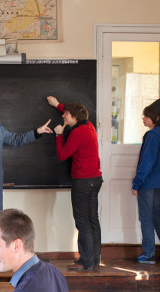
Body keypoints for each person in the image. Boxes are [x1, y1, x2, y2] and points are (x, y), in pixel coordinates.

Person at [45, 96, 102, 271]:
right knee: (92, 220)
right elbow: (76, 112)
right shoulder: (88, 126)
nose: (63, 116)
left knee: (82, 221)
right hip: (95, 180)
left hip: (83, 182)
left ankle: (84, 261)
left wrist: (59, 135)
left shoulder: (77, 133)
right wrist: (58, 105)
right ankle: (94, 259)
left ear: (74, 116)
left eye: (66, 114)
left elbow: (63, 155)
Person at [132, 97, 160, 264]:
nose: (143, 118)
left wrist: (137, 183)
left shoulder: (151, 136)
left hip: (147, 182)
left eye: (146, 116)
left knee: (146, 218)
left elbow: (147, 162)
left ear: (155, 118)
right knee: (156, 215)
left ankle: (149, 253)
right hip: (158, 182)